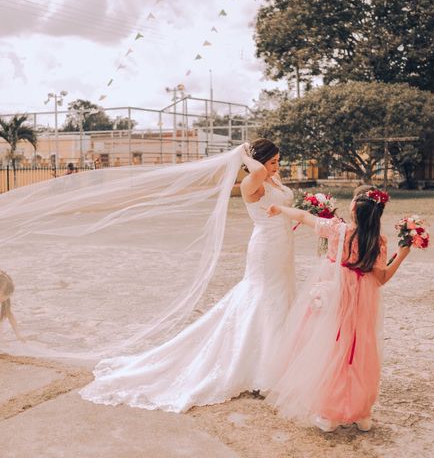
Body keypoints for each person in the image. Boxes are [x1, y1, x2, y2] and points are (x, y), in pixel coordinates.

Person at [79, 138, 297, 412]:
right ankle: (263, 371)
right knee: (264, 299)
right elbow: (258, 173)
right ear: (258, 162)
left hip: (283, 245)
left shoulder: (271, 179)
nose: (277, 167)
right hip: (266, 248)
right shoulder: (252, 182)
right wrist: (244, 152)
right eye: (272, 161)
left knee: (281, 295)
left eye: (278, 161)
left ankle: (277, 361)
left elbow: (282, 201)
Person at [264, 189, 410, 432]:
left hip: (335, 294)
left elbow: (302, 216)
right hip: (363, 299)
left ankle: (330, 413)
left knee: (330, 347)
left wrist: (279, 209)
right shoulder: (378, 241)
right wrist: (402, 255)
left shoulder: (336, 229)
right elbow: (382, 278)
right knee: (360, 350)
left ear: (354, 209)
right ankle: (362, 413)